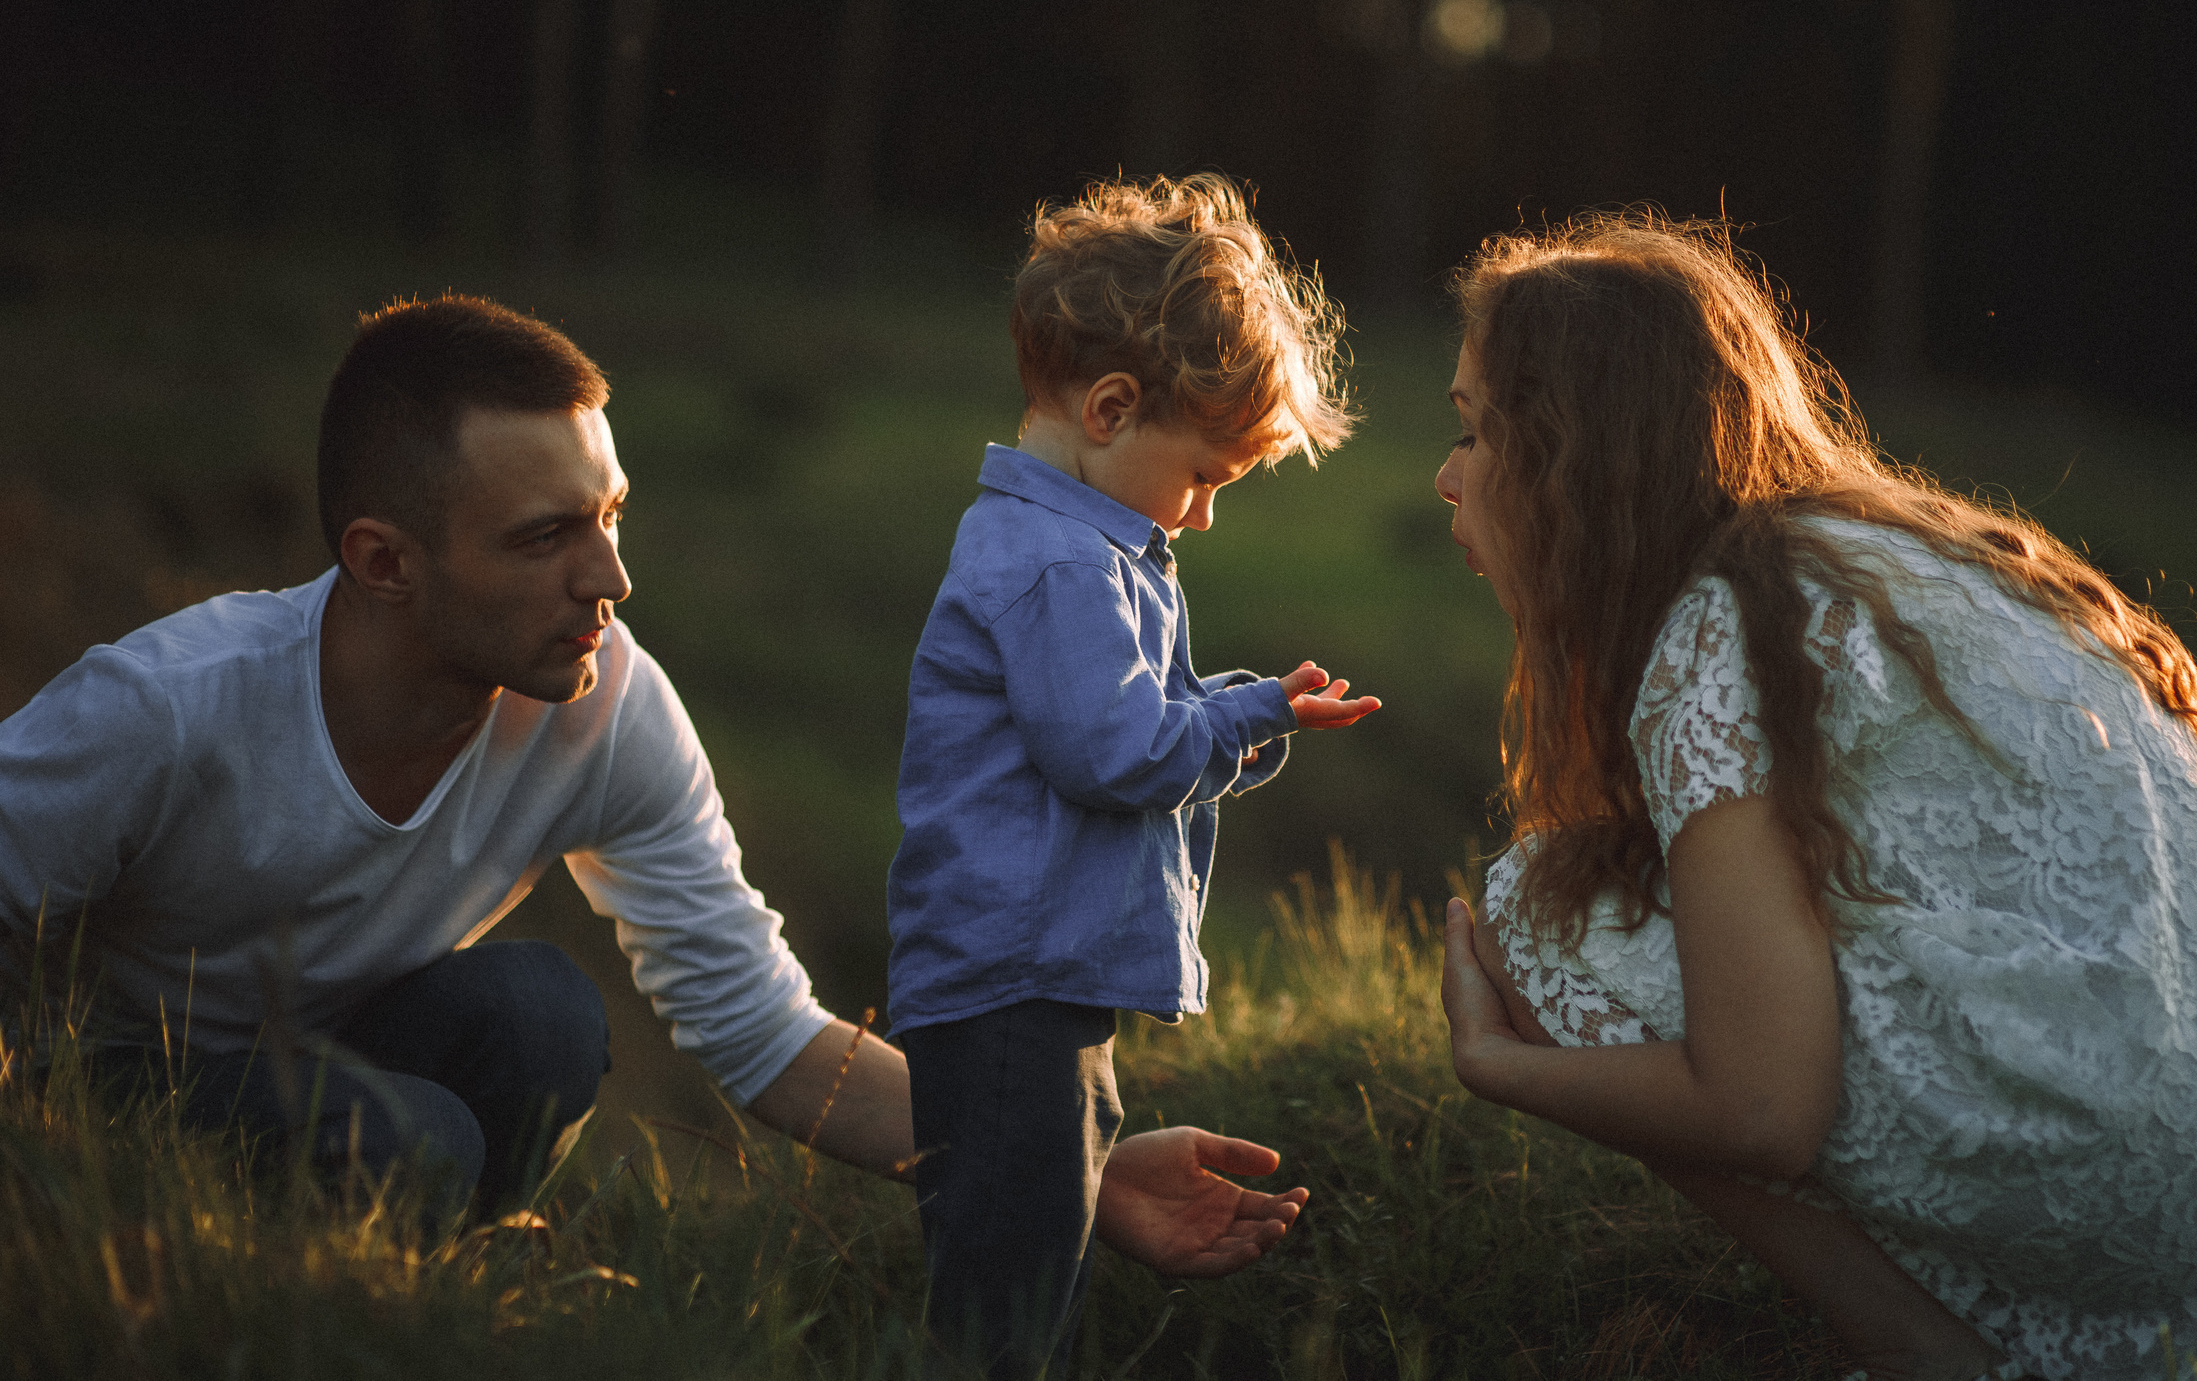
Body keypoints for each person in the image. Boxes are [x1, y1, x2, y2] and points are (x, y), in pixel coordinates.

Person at [0, 293, 1308, 1283]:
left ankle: (410, 1300)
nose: (610, 580)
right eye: (544, 536)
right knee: (413, 1139)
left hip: (319, 1072)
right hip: (93, 1089)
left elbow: (772, 1035)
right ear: (385, 560)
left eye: (609, 513)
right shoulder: (167, 708)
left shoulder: (604, 702)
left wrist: (1054, 1168)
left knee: (539, 1017)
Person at [1429, 217, 2197, 1381]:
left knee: (1536, 911)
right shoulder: (1894, 554)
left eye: (1475, 431)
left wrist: (1503, 1068)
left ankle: (1931, 1355)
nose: (1446, 475)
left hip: (2098, 1151)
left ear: (1575, 459)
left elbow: (1763, 1108)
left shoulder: (1723, 627)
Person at [887, 174, 1381, 1377]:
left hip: (1034, 979)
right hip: (1012, 983)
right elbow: (1113, 755)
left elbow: (1125, 729)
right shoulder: (1063, 561)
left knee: (1033, 1261)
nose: (1205, 517)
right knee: (1005, 1307)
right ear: (1111, 407)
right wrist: (1254, 708)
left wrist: (1253, 718)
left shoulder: (1073, 544)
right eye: (1207, 476)